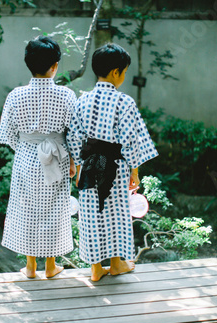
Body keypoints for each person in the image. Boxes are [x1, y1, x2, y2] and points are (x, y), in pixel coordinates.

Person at [67, 43, 158, 282]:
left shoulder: (82, 101)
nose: (124, 76)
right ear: (116, 72)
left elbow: (74, 136)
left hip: (89, 165)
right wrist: (134, 171)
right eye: (124, 72)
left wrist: (77, 164)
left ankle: (96, 269)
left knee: (91, 214)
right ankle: (117, 264)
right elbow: (131, 140)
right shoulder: (124, 102)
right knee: (117, 213)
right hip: (115, 167)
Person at [0, 36, 77, 278]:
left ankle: (30, 266)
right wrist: (73, 162)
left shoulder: (15, 95)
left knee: (27, 210)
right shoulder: (66, 95)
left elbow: (8, 136)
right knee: (54, 210)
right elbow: (74, 135)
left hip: (25, 159)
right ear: (55, 66)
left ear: (27, 63)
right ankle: (51, 266)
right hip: (57, 158)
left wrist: (27, 149)